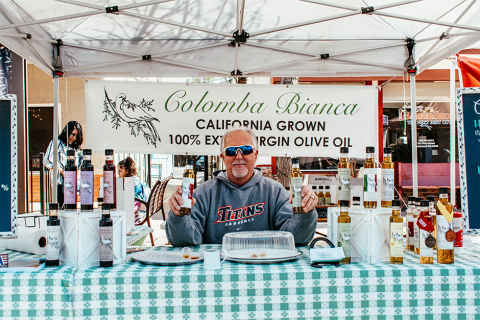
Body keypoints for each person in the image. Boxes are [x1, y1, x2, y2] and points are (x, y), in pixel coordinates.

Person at [166, 126, 318, 247]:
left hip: (265, 270)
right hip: (218, 271)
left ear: (255, 154)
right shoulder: (204, 193)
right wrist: (179, 216)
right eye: (231, 151)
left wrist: (305, 213)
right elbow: (184, 243)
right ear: (222, 157)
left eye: (246, 150)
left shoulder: (275, 192)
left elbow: (296, 240)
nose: (239, 157)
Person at [44, 121, 83, 209]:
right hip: (59, 182)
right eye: (72, 134)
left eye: (76, 136)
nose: (74, 137)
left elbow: (80, 164)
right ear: (67, 131)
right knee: (60, 207)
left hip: (72, 182)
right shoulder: (57, 143)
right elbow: (47, 160)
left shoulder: (76, 148)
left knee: (71, 208)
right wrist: (61, 170)